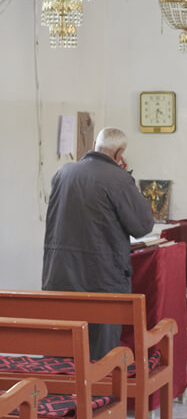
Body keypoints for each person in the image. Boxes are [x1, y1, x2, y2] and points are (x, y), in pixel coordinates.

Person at [42, 127, 154, 359]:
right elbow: (142, 226)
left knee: (64, 343)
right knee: (99, 350)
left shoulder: (63, 172)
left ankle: (61, 390)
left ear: (94, 143)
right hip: (101, 277)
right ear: (119, 152)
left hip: (60, 275)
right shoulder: (118, 179)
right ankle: (99, 394)